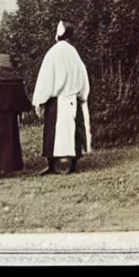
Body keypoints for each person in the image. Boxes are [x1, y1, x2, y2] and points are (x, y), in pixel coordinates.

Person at [32, 21, 92, 175]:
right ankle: (69, 164)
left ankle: (55, 165)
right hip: (73, 100)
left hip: (58, 101)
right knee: (71, 134)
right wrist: (82, 96)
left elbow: (46, 79)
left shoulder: (53, 53)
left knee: (54, 133)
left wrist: (39, 100)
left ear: (58, 35)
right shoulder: (74, 54)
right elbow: (84, 79)